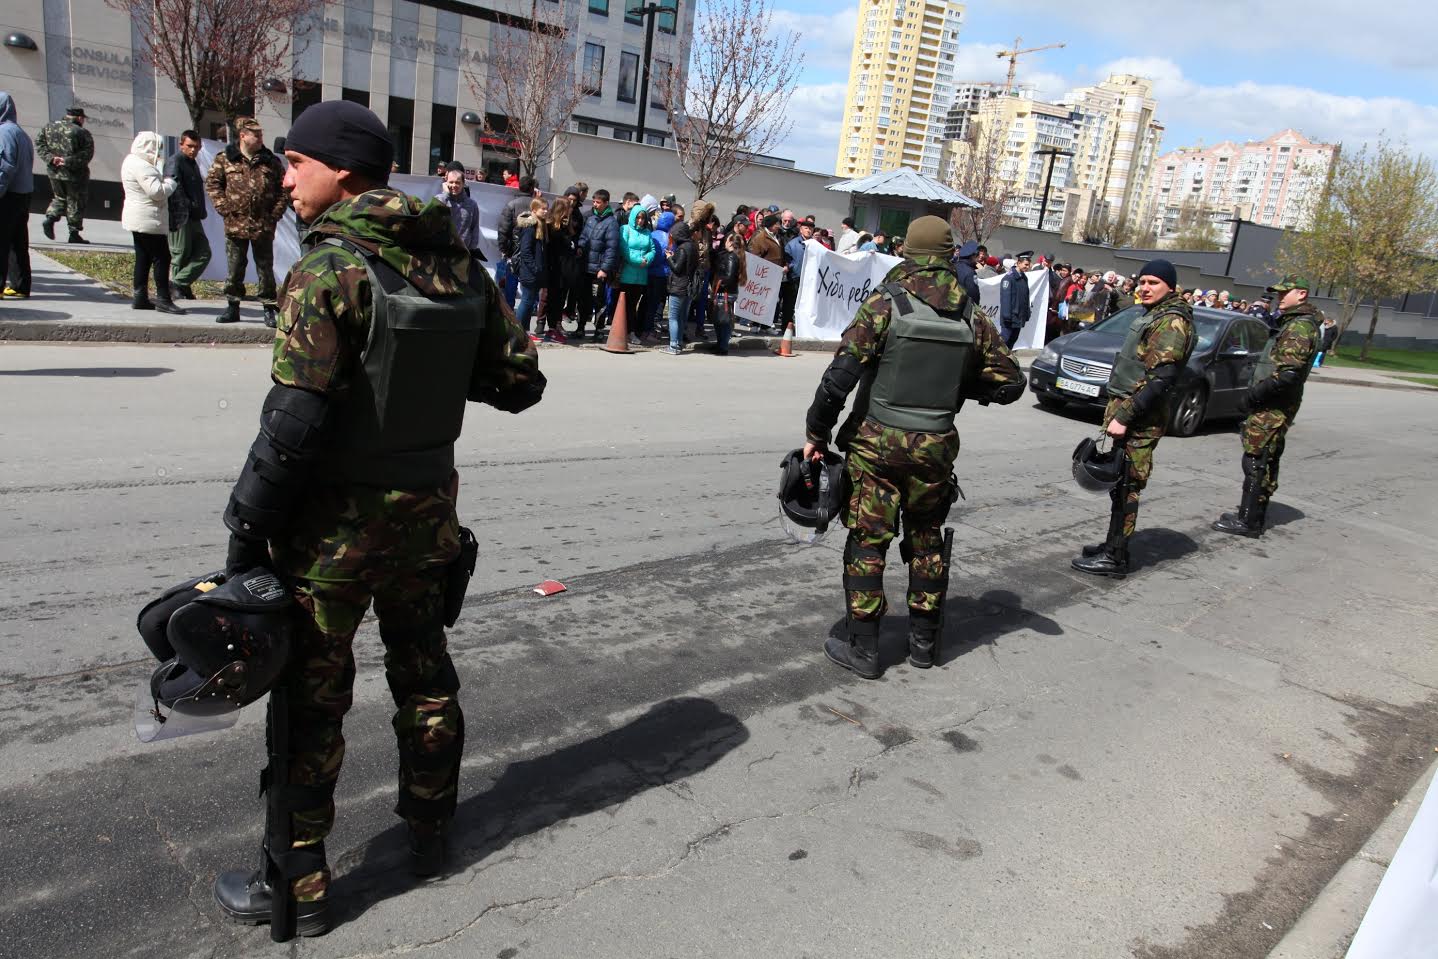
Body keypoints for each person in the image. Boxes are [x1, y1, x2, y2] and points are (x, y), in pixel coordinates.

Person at [210, 100, 543, 935]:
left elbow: (292, 424)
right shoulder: (460, 267)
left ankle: (302, 887)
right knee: (425, 679)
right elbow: (520, 382)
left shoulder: (330, 270)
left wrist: (246, 530)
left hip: (333, 537)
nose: (285, 179)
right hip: (426, 521)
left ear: (343, 173)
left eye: (296, 164)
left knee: (312, 703)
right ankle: (430, 833)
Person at [801, 216, 1025, 679]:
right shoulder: (971, 315)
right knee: (926, 539)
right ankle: (923, 643)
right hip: (936, 449)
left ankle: (863, 647)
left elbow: (839, 378)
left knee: (868, 541)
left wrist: (816, 434)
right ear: (947, 257)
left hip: (877, 445)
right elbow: (1011, 384)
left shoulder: (887, 303)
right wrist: (958, 386)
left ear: (908, 253)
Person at [1072, 259, 1195, 578]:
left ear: (1170, 285)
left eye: (1153, 282)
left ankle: (1116, 557)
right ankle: (1113, 545)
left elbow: (1162, 377)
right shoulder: (1153, 314)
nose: (1145, 287)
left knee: (1128, 485)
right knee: (1119, 483)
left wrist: (1125, 416)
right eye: (1142, 282)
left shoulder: (1171, 321)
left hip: (1141, 419)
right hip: (1131, 414)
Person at [1212, 275, 1320, 538]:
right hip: (1272, 403)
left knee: (1257, 458)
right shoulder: (1293, 323)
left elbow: (1288, 375)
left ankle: (1249, 521)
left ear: (1302, 294)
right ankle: (1251, 515)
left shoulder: (1300, 327)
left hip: (1273, 405)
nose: (1280, 298)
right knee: (1263, 456)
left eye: (1286, 293)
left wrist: (1252, 397)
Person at [206, 117, 289, 327]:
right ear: (243, 136)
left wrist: (274, 215)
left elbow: (284, 190)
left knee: (265, 268)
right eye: (256, 135)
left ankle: (269, 308)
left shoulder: (271, 161)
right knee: (235, 268)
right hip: (236, 224)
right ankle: (232, 306)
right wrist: (224, 208)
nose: (261, 138)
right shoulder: (225, 159)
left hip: (263, 225)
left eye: (261, 134)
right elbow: (213, 184)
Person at [120, 131, 185, 315]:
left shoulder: (131, 161)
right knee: (162, 257)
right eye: (158, 147)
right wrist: (171, 183)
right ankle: (164, 298)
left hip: (138, 217)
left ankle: (140, 296)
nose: (160, 151)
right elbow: (157, 192)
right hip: (148, 219)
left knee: (143, 257)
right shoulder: (143, 166)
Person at [164, 130, 210, 300]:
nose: (193, 150)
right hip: (180, 217)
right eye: (190, 146)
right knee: (180, 254)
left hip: (195, 216)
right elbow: (174, 189)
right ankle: (177, 289)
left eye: (197, 147)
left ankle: (179, 283)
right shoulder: (175, 161)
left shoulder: (192, 164)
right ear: (181, 144)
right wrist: (189, 206)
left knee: (203, 253)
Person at [37, 106, 93, 244]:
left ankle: (50, 218)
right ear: (79, 118)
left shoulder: (48, 127)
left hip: (54, 171)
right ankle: (74, 233)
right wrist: (67, 161)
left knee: (59, 197)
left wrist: (51, 158)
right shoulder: (81, 132)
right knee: (75, 201)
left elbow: (39, 144)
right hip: (74, 174)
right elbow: (87, 153)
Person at [0, 92, 34, 301]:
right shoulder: (21, 133)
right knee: (18, 243)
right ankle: (21, 286)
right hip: (23, 195)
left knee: (1, 242)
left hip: (7, 196)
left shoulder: (3, 132)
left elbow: (4, 168)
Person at [576, 188, 620, 341]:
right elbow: (583, 236)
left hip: (598, 270)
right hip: (585, 267)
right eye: (593, 201)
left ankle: (599, 330)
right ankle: (580, 327)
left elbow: (612, 248)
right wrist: (580, 247)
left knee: (599, 301)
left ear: (606, 203)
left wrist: (604, 268)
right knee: (582, 299)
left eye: (598, 202)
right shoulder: (590, 219)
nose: (595, 204)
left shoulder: (612, 223)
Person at [495, 175, 538, 309]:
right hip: (532, 251)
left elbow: (503, 230)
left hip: (513, 251)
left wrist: (505, 250)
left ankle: (509, 310)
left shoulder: (511, 205)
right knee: (529, 286)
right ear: (532, 188)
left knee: (511, 284)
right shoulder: (537, 205)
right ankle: (529, 309)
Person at [619, 206, 655, 345]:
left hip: (641, 276)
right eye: (638, 217)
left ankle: (631, 332)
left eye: (643, 218)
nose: (640, 221)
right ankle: (621, 330)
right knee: (623, 304)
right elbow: (624, 249)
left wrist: (647, 259)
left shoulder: (647, 232)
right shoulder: (625, 229)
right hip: (626, 274)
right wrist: (639, 260)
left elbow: (652, 249)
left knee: (633, 305)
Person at [514, 197, 549, 337]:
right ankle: (519, 332)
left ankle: (525, 331)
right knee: (527, 301)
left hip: (536, 272)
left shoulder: (541, 225)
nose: (546, 211)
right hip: (529, 272)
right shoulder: (530, 226)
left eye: (547, 209)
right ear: (534, 210)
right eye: (543, 209)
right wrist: (535, 268)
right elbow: (526, 251)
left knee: (530, 301)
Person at [710, 229, 748, 356]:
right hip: (729, 293)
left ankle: (722, 346)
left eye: (726, 240)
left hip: (725, 293)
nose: (724, 242)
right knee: (723, 320)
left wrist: (719, 284)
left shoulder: (732, 257)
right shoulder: (736, 256)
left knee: (722, 321)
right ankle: (721, 345)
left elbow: (729, 276)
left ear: (731, 242)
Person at [663, 220, 696, 355]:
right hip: (689, 286)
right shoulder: (692, 246)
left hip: (679, 286)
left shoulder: (682, 249)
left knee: (673, 317)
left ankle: (673, 345)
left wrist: (670, 257)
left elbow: (677, 268)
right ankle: (679, 342)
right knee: (682, 317)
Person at [435, 167, 481, 254]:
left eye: (457, 182)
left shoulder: (472, 205)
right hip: (441, 252)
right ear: (446, 182)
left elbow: (475, 229)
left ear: (463, 184)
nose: (454, 185)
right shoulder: (439, 199)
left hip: (462, 253)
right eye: (451, 182)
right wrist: (446, 195)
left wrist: (471, 251)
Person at [780, 218, 813, 332]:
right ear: (801, 229)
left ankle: (802, 328)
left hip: (809, 281)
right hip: (793, 279)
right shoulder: (792, 244)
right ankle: (786, 328)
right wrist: (790, 267)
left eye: (810, 228)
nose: (808, 230)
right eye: (806, 228)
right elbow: (786, 260)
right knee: (789, 305)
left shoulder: (815, 245)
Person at [998, 251, 1032, 348]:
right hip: (1010, 318)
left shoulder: (1024, 278)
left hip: (1018, 317)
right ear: (1018, 263)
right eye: (1026, 264)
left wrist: (1026, 313)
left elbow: (1025, 297)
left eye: (1029, 265)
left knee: (1012, 342)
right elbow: (1006, 299)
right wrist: (1006, 316)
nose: (1028, 267)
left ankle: (1006, 361)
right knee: (1003, 342)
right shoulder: (1008, 278)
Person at [953, 239, 981, 306]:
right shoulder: (970, 273)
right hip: (962, 308)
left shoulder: (953, 266)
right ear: (973, 256)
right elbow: (974, 295)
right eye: (977, 256)